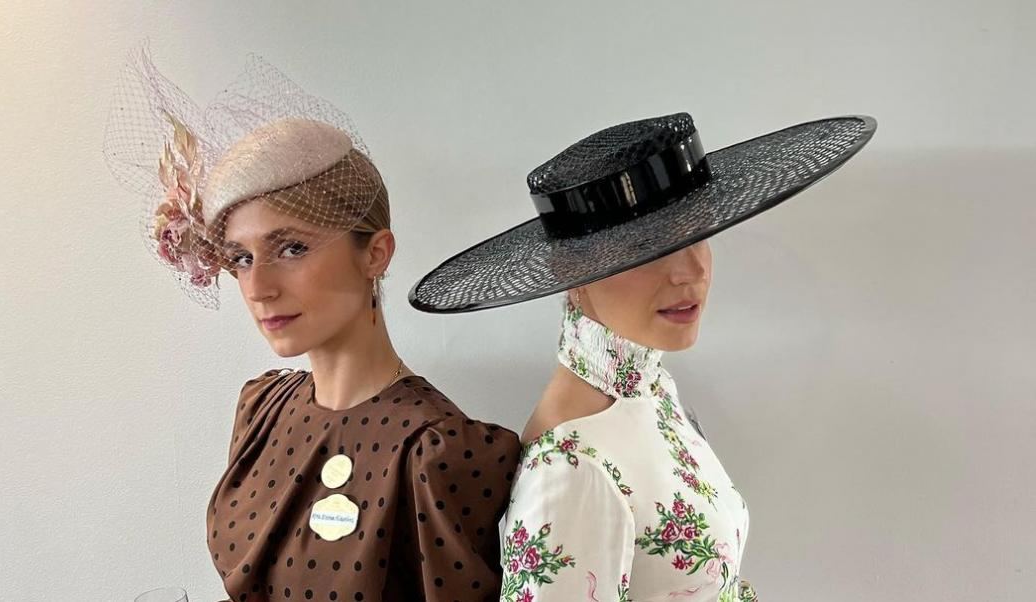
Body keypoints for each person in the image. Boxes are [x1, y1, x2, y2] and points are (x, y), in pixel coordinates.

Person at [105, 47, 521, 602]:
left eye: (292, 248)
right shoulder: (262, 410)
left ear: (376, 253)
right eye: (242, 258)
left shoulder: (436, 452)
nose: (258, 287)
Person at [410, 111, 877, 601]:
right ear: (571, 270)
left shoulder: (652, 391)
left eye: (698, 234)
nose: (691, 271)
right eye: (650, 248)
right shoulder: (572, 468)